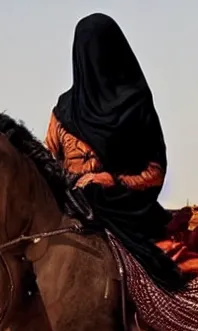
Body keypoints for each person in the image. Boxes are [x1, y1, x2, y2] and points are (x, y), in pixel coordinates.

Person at [45, 13, 185, 290]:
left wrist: (112, 181)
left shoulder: (136, 104)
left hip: (125, 212)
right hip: (72, 210)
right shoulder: (63, 110)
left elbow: (155, 172)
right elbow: (49, 163)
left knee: (161, 272)